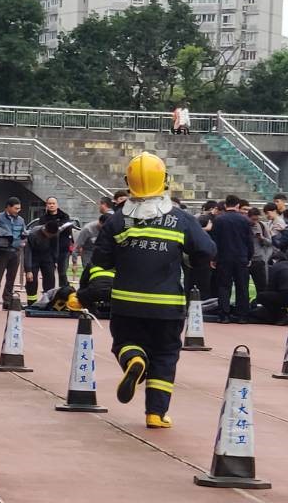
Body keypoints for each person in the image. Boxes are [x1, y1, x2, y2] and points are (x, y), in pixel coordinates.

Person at [89, 152, 215, 429]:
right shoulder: (181, 219)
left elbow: (100, 261)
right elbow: (206, 250)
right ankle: (156, 414)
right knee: (165, 354)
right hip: (167, 305)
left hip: (126, 302)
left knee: (125, 342)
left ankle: (134, 359)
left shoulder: (118, 221)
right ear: (165, 181)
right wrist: (194, 267)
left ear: (128, 183)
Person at [212, 195, 253, 322]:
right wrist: (249, 256)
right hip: (241, 257)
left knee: (224, 286)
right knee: (242, 286)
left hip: (224, 257)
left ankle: (224, 315)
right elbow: (249, 241)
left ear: (225, 205)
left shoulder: (219, 220)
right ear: (237, 205)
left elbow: (215, 240)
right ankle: (242, 316)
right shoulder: (245, 220)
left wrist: (214, 258)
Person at [249, 255, 288, 325]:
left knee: (262, 296)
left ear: (274, 261)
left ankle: (281, 315)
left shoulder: (276, 268)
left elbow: (271, 288)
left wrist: (256, 301)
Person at [247, 207, 274, 298]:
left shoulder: (262, 226)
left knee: (261, 286)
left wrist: (262, 238)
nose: (255, 222)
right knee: (243, 285)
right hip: (246, 260)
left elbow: (270, 242)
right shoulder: (244, 226)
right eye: (253, 219)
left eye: (257, 219)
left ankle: (261, 302)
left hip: (259, 260)